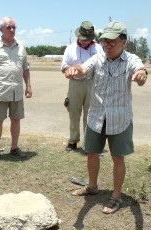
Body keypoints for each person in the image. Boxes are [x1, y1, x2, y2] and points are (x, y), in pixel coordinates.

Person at [64, 21, 148, 214]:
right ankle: (92, 186)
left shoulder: (130, 60)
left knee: (118, 158)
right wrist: (76, 70)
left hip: (120, 118)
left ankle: (116, 196)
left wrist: (142, 73)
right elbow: (84, 69)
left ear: (123, 42)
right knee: (92, 152)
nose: (107, 46)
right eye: (105, 42)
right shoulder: (97, 59)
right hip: (96, 117)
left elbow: (139, 68)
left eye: (112, 42)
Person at [0, 16, 32, 162]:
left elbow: (25, 68)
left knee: (16, 119)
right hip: (0, 91)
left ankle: (14, 148)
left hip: (17, 91)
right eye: (9, 27)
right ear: (1, 29)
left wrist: (28, 86)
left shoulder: (21, 45)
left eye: (14, 27)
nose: (12, 30)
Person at [61, 21, 103, 151]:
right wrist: (70, 69)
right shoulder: (70, 48)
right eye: (83, 39)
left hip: (92, 83)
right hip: (75, 84)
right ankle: (73, 141)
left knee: (90, 115)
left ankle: (88, 143)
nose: (85, 42)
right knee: (73, 112)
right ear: (79, 35)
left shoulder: (98, 48)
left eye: (88, 39)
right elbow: (63, 67)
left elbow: (103, 67)